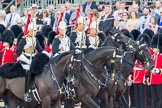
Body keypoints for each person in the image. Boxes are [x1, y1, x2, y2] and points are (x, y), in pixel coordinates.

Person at [16, 22, 48, 102]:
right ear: (30, 30)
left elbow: (40, 50)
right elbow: (18, 52)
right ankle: (26, 93)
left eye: (36, 31)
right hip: (24, 59)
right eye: (34, 31)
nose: (35, 32)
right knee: (29, 71)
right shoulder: (24, 39)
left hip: (33, 59)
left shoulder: (35, 39)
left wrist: (48, 54)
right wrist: (27, 60)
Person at [149, 34, 162, 108]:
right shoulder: (152, 57)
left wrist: (159, 71)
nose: (153, 49)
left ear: (158, 48)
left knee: (160, 99)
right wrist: (147, 76)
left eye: (154, 48)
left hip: (160, 80)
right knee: (154, 99)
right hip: (152, 80)